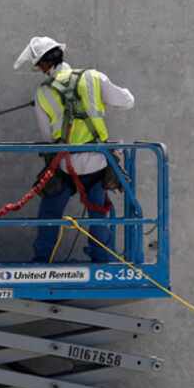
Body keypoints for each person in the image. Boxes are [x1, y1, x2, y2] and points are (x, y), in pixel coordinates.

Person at [14, 36, 135, 262]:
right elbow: (127, 101)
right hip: (97, 163)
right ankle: (102, 259)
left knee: (49, 212)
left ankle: (42, 261)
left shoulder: (42, 93)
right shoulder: (93, 77)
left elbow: (47, 136)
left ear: (43, 65)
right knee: (98, 211)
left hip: (65, 165)